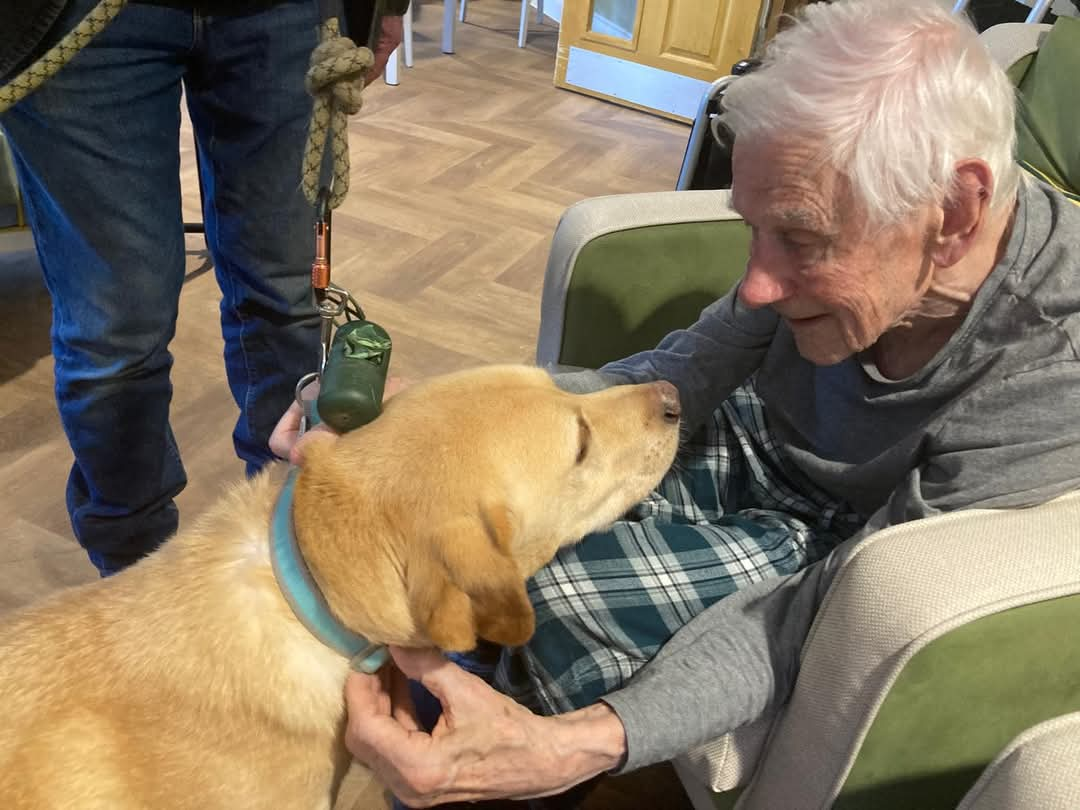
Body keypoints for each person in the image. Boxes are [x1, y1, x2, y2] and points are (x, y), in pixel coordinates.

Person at [272, 0, 1080, 805]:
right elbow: (683, 369)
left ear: (957, 212)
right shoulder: (822, 232)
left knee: (553, 602)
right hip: (757, 434)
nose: (757, 285)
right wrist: (419, 434)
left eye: (800, 238)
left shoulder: (1050, 368)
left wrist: (576, 746)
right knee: (495, 536)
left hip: (840, 535)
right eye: (754, 231)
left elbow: (823, 611)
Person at [0, 0, 404, 575]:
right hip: (70, 16)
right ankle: (134, 581)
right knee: (113, 336)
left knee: (283, 305)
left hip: (289, 12)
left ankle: (290, 552)